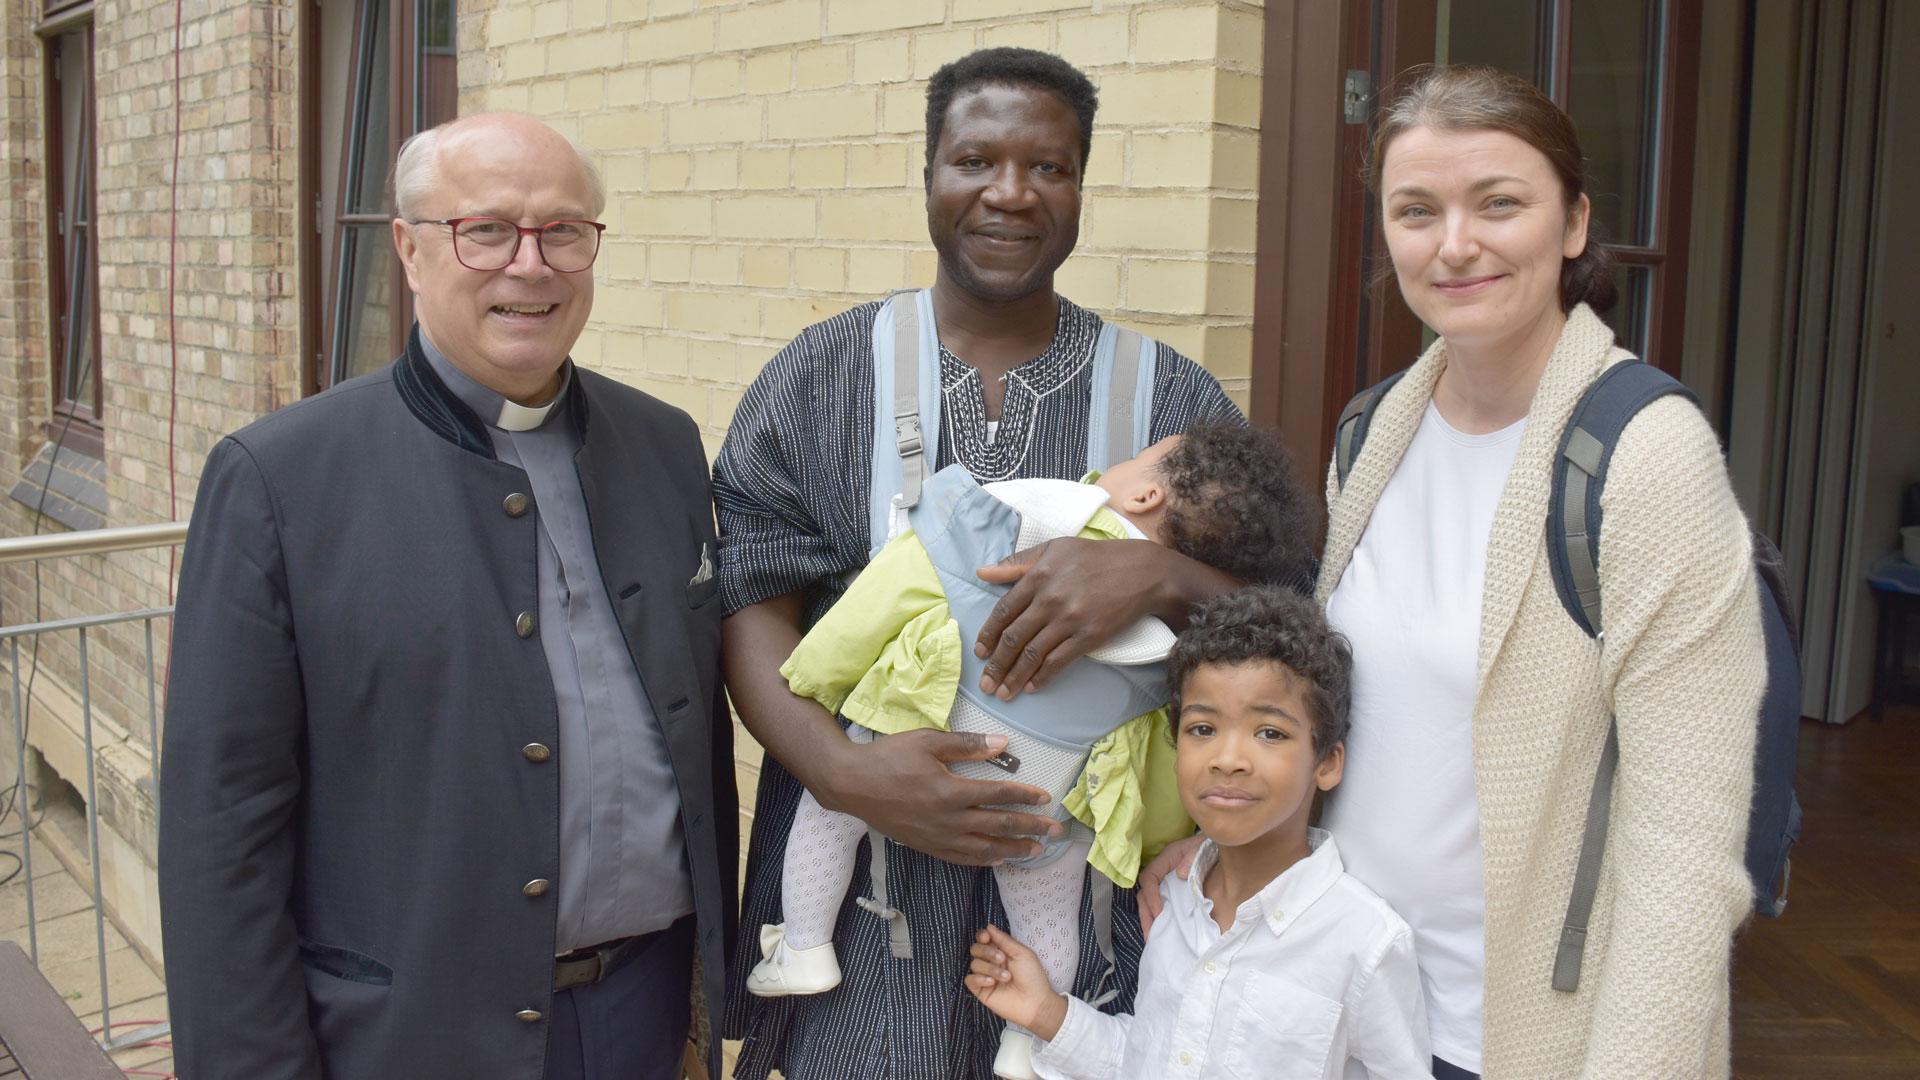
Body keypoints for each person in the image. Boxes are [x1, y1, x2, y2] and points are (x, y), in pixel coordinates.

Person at [1134, 66, 1764, 1078]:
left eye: (1499, 203)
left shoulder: (1644, 456)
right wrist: (1231, 852)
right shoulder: (1373, 429)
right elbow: (1346, 720)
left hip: (1503, 1038)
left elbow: (1686, 857)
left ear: (1573, 224)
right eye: (1417, 210)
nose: (1455, 244)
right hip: (1335, 1008)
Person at [157, 113, 736, 1080]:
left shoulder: (664, 444)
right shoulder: (279, 479)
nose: (530, 264)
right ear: (410, 248)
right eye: (487, 230)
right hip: (408, 1038)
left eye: (563, 231)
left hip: (644, 1010)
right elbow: (223, 830)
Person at [716, 47, 1256, 1080]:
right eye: (975, 160)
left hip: (1091, 949)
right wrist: (841, 771)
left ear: (1081, 188)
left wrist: (1163, 579)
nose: (1011, 192)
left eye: (1048, 166)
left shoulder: (1173, 403)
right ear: (929, 173)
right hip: (863, 943)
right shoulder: (819, 379)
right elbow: (750, 604)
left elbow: (1275, 621)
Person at [750, 423, 1310, 1078]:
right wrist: (1160, 840)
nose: (1120, 463)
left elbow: (892, 590)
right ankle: (1030, 1037)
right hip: (1038, 804)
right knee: (1048, 905)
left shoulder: (1018, 517)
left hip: (905, 743)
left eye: (1136, 459)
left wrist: (817, 678)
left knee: (828, 814)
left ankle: (806, 947)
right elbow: (1158, 759)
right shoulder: (1166, 649)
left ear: (1147, 495)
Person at [967, 587, 1431, 1079]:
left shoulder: (1365, 942)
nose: (1227, 760)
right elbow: (1150, 1059)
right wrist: (1047, 1013)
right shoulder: (1174, 901)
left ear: (1327, 762)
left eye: (1270, 733)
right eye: (1203, 729)